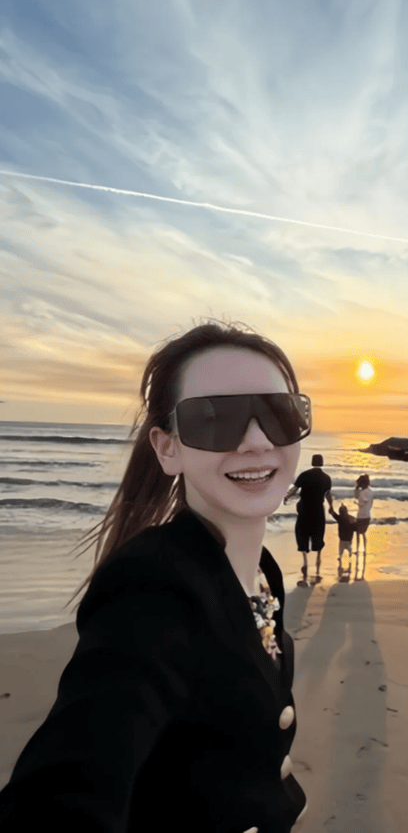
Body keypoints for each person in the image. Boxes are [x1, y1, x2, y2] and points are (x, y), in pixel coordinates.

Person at [0, 319, 311, 833]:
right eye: (215, 418)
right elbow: (60, 797)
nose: (257, 441)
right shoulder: (152, 590)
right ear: (168, 448)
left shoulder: (264, 573)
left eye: (280, 413)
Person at [284, 454, 332, 579]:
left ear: (312, 462)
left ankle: (305, 562)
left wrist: (287, 497)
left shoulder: (304, 475)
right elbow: (328, 495)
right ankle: (318, 558)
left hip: (304, 509)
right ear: (322, 462)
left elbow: (294, 489)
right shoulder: (326, 478)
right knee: (318, 534)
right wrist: (331, 506)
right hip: (318, 510)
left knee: (302, 533)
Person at [328, 503, 357, 567]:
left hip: (342, 540)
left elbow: (332, 513)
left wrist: (330, 506)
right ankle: (350, 554)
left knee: (341, 550)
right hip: (349, 540)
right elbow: (355, 528)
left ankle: (340, 556)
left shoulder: (339, 518)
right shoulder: (351, 518)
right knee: (349, 548)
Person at [354, 473, 373, 554]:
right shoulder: (370, 492)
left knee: (358, 534)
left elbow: (360, 500)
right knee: (363, 534)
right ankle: (364, 550)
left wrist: (356, 489)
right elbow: (369, 503)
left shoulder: (362, 493)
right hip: (368, 515)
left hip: (361, 516)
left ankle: (357, 549)